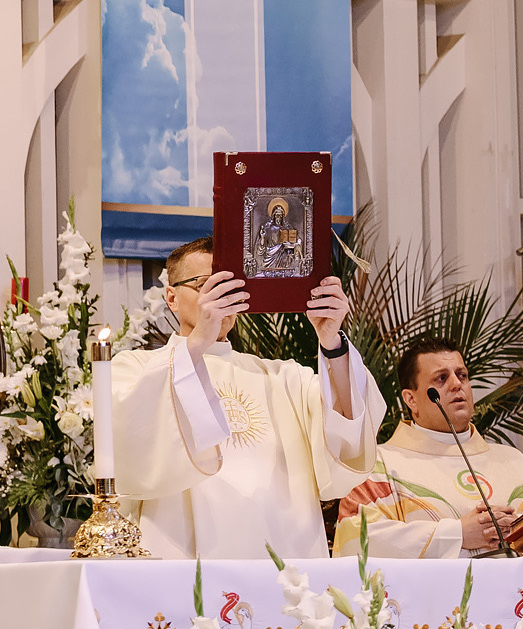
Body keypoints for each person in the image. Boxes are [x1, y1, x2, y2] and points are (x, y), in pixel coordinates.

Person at [113, 236, 381, 559]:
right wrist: (197, 342)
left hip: (282, 567)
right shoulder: (136, 369)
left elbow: (347, 432)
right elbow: (130, 444)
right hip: (182, 566)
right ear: (171, 297)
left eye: (229, 289)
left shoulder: (281, 378)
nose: (220, 301)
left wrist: (331, 340)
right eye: (206, 288)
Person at [332, 339, 523, 558]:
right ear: (411, 400)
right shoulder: (377, 466)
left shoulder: (516, 463)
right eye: (441, 378)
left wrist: (521, 529)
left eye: (462, 375)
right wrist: (457, 534)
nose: (457, 384)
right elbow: (358, 540)